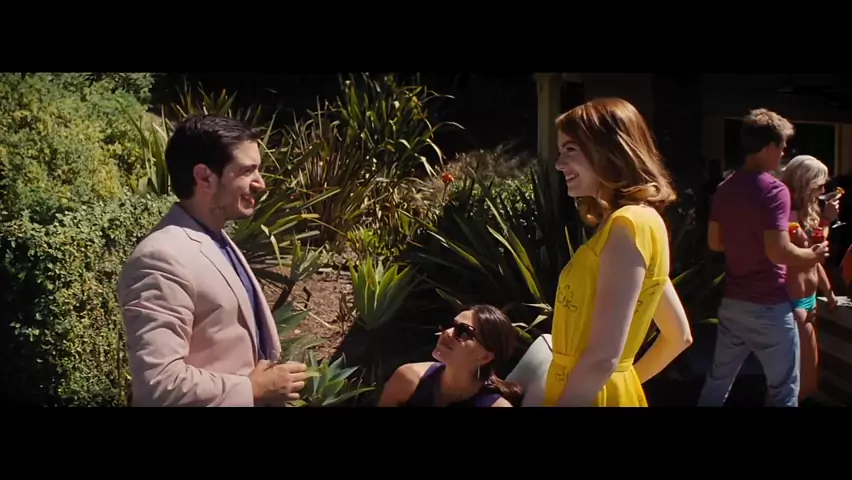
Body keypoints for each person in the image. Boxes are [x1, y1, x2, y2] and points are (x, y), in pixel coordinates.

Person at [118, 114, 310, 407]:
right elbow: (157, 385)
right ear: (204, 177)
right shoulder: (160, 259)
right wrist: (252, 389)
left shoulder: (215, 240)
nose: (261, 183)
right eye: (247, 171)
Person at [537, 97, 693, 407]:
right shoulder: (636, 223)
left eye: (570, 149)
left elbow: (603, 357)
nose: (559, 163)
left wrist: (611, 380)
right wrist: (622, 384)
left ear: (609, 150)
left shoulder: (626, 226)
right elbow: (679, 336)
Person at [700, 109, 829, 407]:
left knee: (717, 385)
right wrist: (812, 255)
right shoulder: (775, 190)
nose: (783, 153)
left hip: (733, 304)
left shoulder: (725, 188)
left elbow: (715, 243)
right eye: (782, 147)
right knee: (784, 391)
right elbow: (778, 251)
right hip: (769, 306)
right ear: (769, 147)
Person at [780, 154, 840, 401]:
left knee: (808, 376)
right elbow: (813, 251)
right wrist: (827, 220)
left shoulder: (807, 214)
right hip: (791, 303)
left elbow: (814, 261)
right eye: (819, 185)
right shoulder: (786, 215)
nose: (823, 191)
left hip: (809, 301)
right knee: (799, 380)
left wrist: (829, 292)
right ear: (804, 183)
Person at [377, 304, 521, 407]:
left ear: (485, 357)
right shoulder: (409, 379)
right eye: (451, 325)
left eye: (463, 333)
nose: (447, 332)